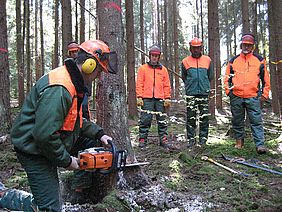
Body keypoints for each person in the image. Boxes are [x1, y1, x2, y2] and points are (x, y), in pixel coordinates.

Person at [10, 40, 117, 211]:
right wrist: (68, 161)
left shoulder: (73, 83)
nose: (99, 76)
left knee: (91, 143)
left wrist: (99, 134)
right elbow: (44, 135)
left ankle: (77, 188)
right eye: (99, 71)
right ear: (89, 65)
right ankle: (8, 197)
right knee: (51, 208)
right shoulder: (61, 88)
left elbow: (75, 121)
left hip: (50, 142)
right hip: (33, 149)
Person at [224, 33, 270, 154]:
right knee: (237, 120)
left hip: (253, 96)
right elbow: (226, 78)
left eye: (249, 45)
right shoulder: (233, 61)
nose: (246, 47)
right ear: (241, 45)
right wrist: (228, 91)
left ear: (253, 46)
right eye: (245, 44)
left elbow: (266, 79)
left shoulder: (259, 60)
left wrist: (264, 95)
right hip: (236, 96)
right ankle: (239, 142)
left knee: (256, 121)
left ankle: (260, 145)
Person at [136, 45, 171, 148]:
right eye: (152, 55)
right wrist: (139, 96)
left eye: (156, 56)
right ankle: (142, 139)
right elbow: (139, 83)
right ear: (149, 56)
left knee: (162, 120)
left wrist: (167, 97)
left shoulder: (163, 70)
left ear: (159, 57)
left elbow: (166, 85)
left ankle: (163, 139)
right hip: (147, 99)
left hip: (160, 99)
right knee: (145, 120)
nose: (154, 57)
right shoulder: (143, 68)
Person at [181, 38, 213, 147]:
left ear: (201, 48)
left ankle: (203, 140)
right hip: (191, 93)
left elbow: (210, 76)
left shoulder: (207, 60)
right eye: (194, 48)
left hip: (204, 92)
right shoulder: (185, 61)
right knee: (191, 117)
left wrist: (205, 86)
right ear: (190, 48)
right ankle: (191, 140)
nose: (196, 50)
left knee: (204, 117)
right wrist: (190, 85)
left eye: (198, 48)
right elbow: (184, 77)